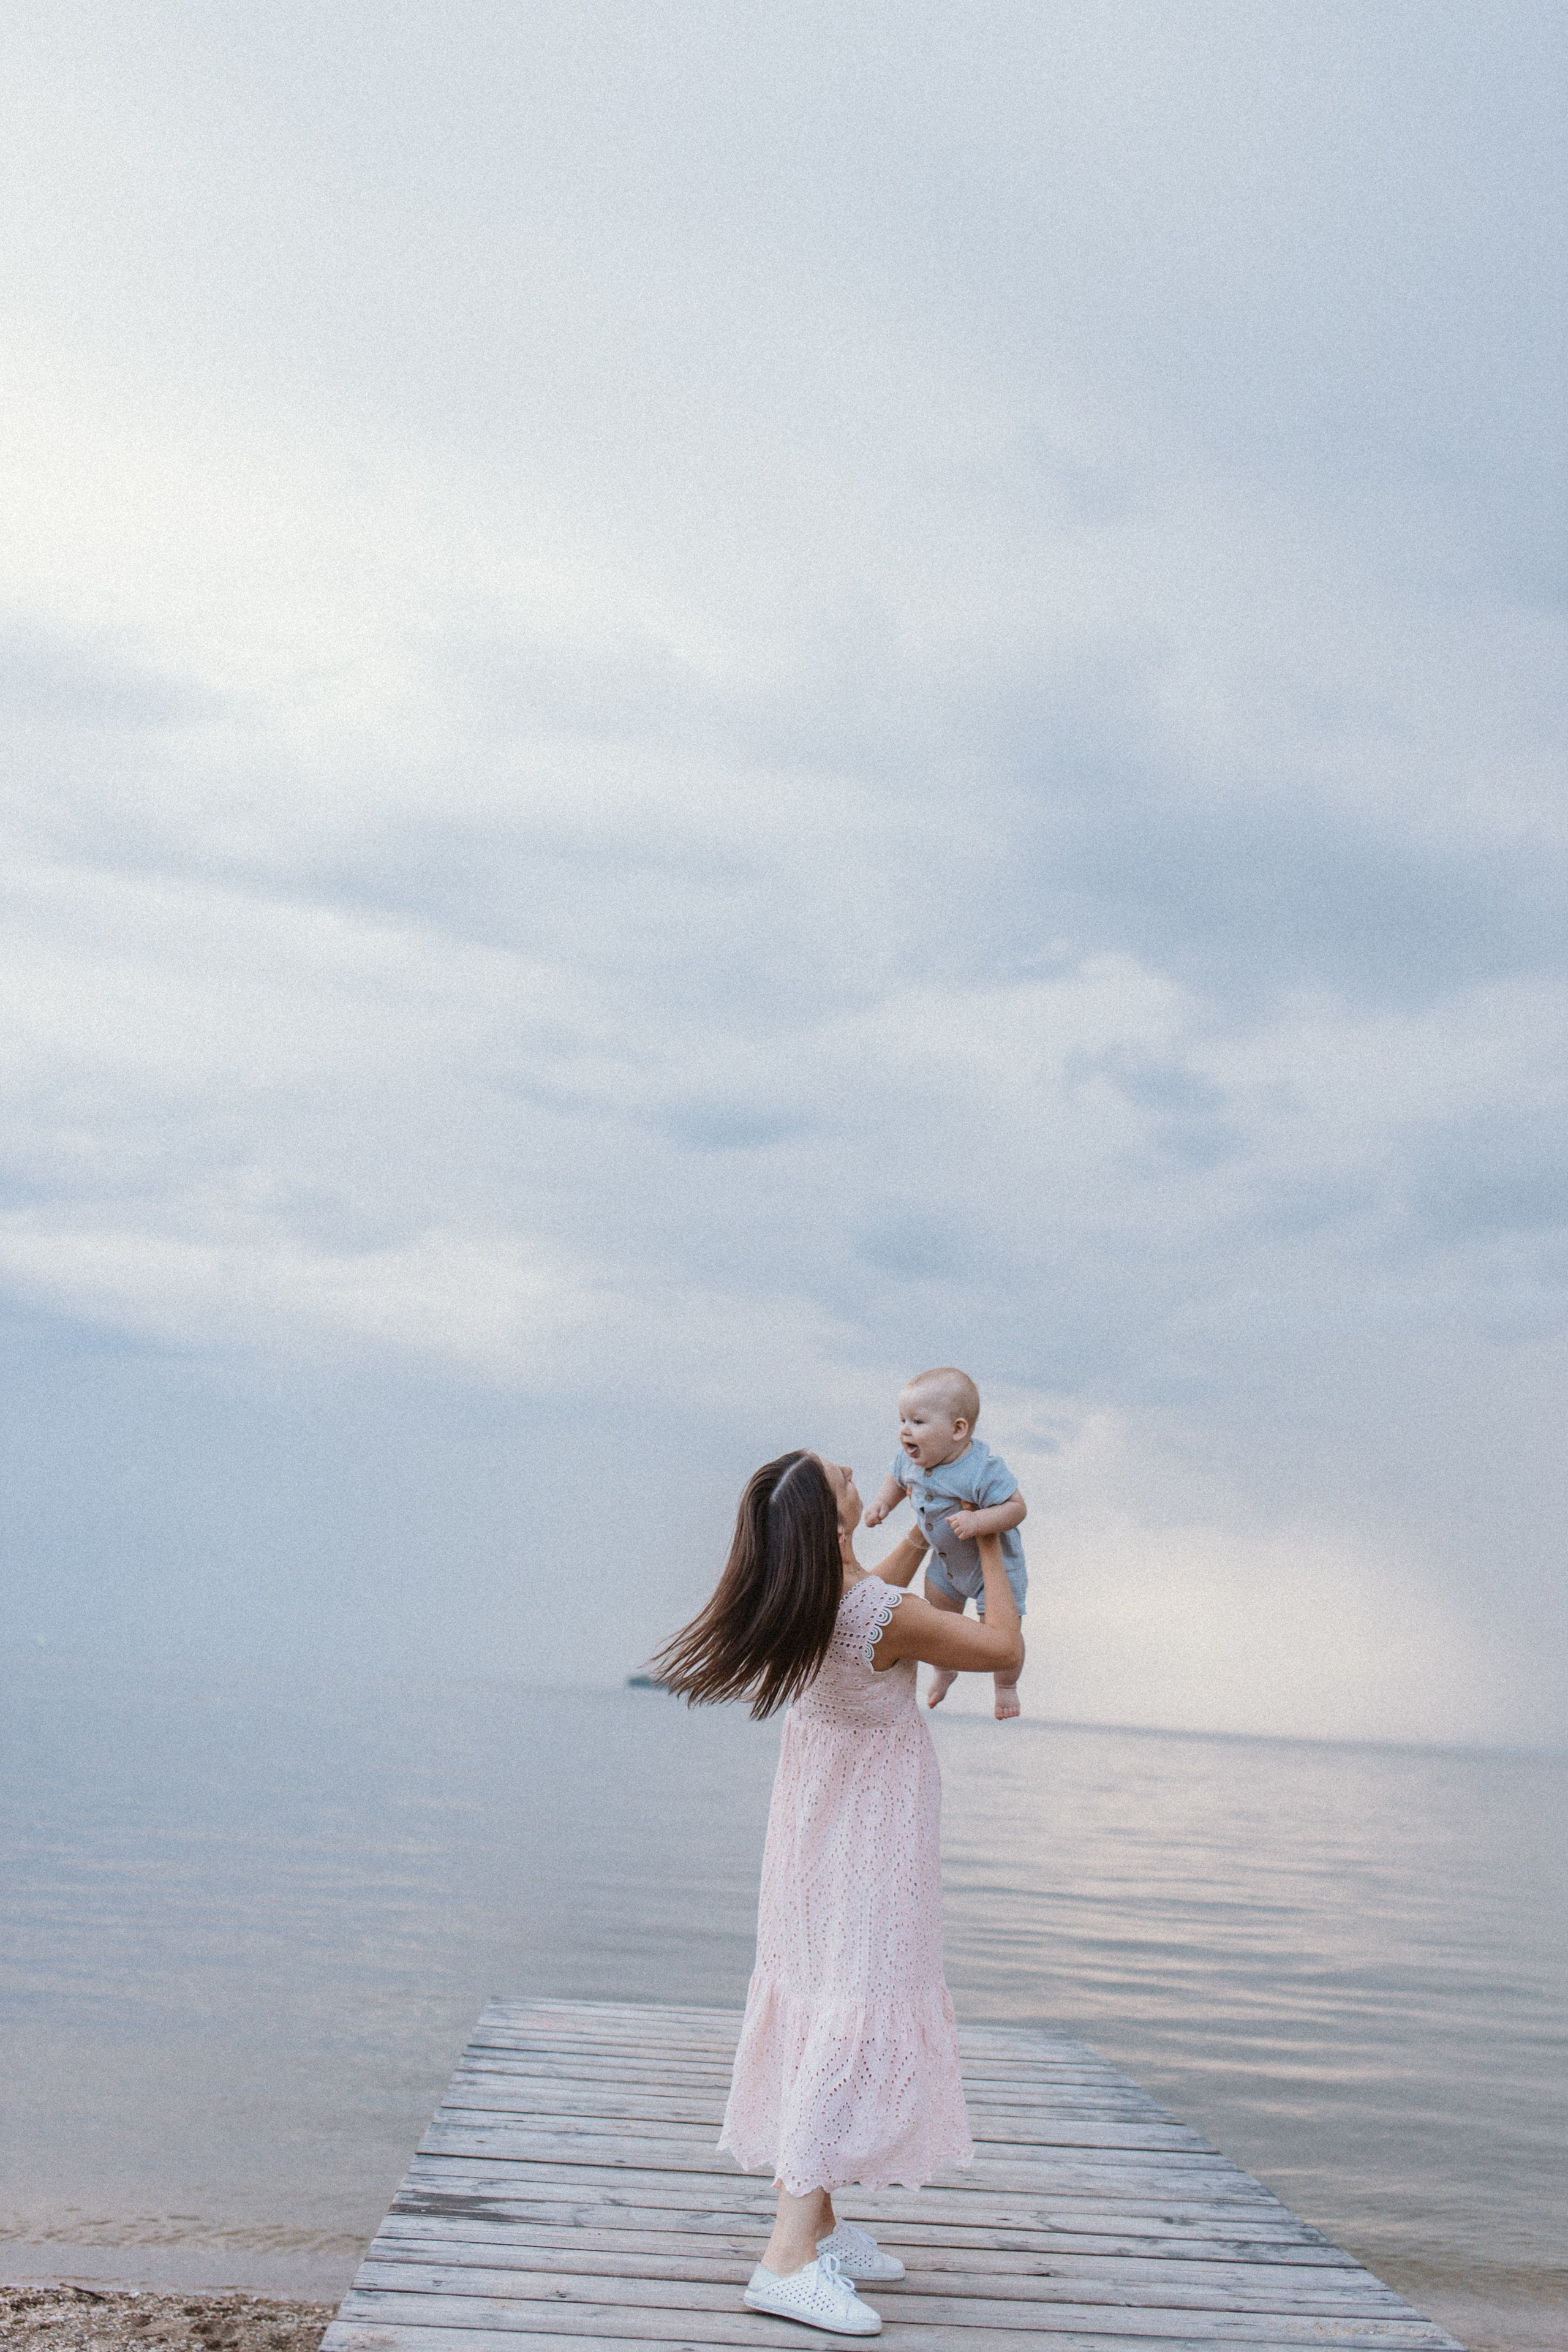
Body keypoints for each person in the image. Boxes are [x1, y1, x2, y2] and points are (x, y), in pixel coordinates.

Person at [652, 1449, 1024, 2337]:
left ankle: (818, 2228)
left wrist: (923, 1538)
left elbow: (876, 1597)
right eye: (842, 1479)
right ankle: (785, 2261)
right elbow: (1003, 1649)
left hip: (813, 1840)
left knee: (820, 2004)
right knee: (849, 2018)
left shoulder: (808, 1601)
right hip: (868, 1841)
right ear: (829, 1521)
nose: (860, 1473)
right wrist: (993, 1543)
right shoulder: (869, 1612)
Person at [864, 1366, 1028, 1718]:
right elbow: (896, 1479)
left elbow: (1017, 1508)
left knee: (1004, 1635)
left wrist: (979, 1521)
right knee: (937, 1619)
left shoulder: (981, 1470)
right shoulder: (910, 1461)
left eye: (918, 1422)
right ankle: (944, 1670)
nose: (905, 1430)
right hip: (946, 1565)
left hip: (993, 1573)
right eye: (903, 1420)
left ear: (958, 1430)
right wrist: (882, 1504)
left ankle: (1006, 1687)